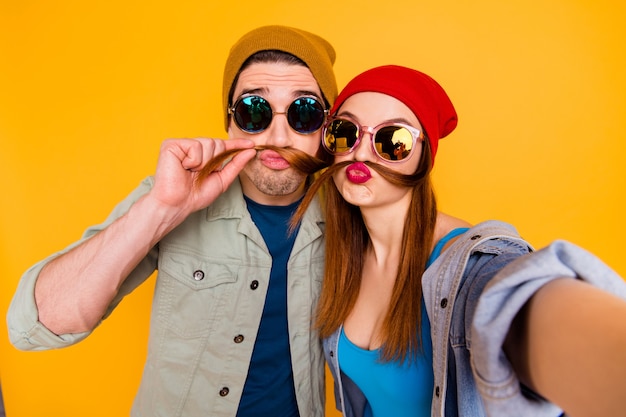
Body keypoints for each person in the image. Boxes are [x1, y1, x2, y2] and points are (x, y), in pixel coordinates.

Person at [7, 25, 338, 417]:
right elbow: (35, 326)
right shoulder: (172, 194)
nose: (278, 135)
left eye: (304, 112)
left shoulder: (347, 214)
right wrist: (161, 208)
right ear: (230, 122)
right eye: (255, 111)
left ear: (327, 127)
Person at [292, 65, 626, 417]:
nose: (360, 154)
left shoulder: (472, 263)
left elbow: (516, 300)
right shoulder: (340, 259)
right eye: (346, 131)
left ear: (425, 156)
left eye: (392, 141)